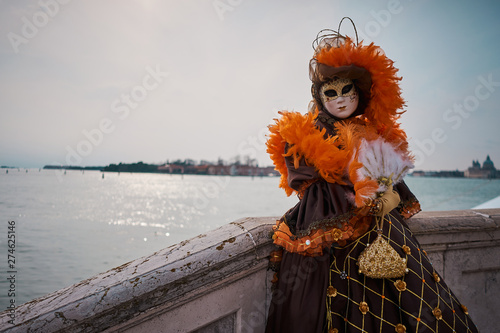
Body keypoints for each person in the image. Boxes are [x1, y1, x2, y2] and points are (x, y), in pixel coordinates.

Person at [265, 19, 478, 333]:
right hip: (325, 223)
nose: (340, 98)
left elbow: (392, 185)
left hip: (384, 231)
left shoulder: (373, 134)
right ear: (320, 95)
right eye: (331, 92)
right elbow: (306, 182)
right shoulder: (304, 133)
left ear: (358, 92)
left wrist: (386, 199)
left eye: (346, 90)